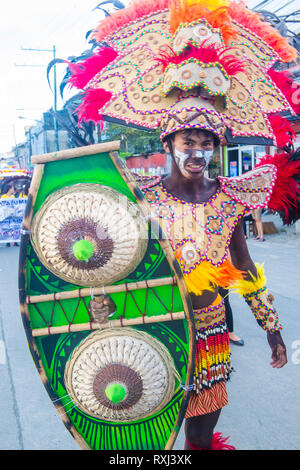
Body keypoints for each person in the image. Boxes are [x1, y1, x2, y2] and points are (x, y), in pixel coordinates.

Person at [67, 0, 300, 451]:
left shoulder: (230, 198)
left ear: (216, 147)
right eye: (187, 141)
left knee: (199, 437)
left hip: (212, 335)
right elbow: (114, 264)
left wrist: (271, 326)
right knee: (147, 439)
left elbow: (246, 268)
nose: (197, 152)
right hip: (155, 327)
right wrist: (100, 308)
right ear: (168, 142)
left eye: (206, 144)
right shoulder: (143, 199)